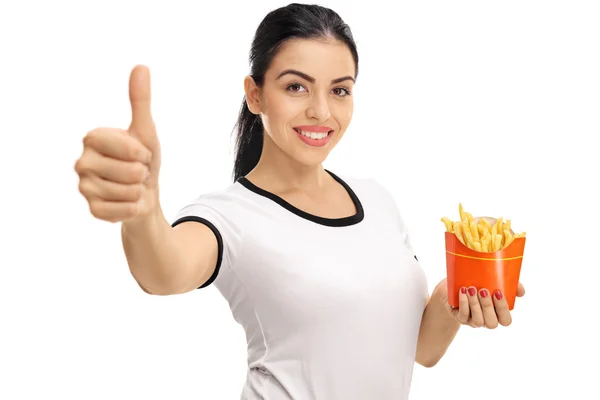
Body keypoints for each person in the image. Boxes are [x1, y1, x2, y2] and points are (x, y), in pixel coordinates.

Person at [74, 3, 526, 399]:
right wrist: (141, 207)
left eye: (339, 89)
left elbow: (419, 350)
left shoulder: (377, 199)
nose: (321, 112)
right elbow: (163, 271)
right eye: (296, 87)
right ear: (255, 94)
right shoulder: (229, 215)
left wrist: (457, 293)